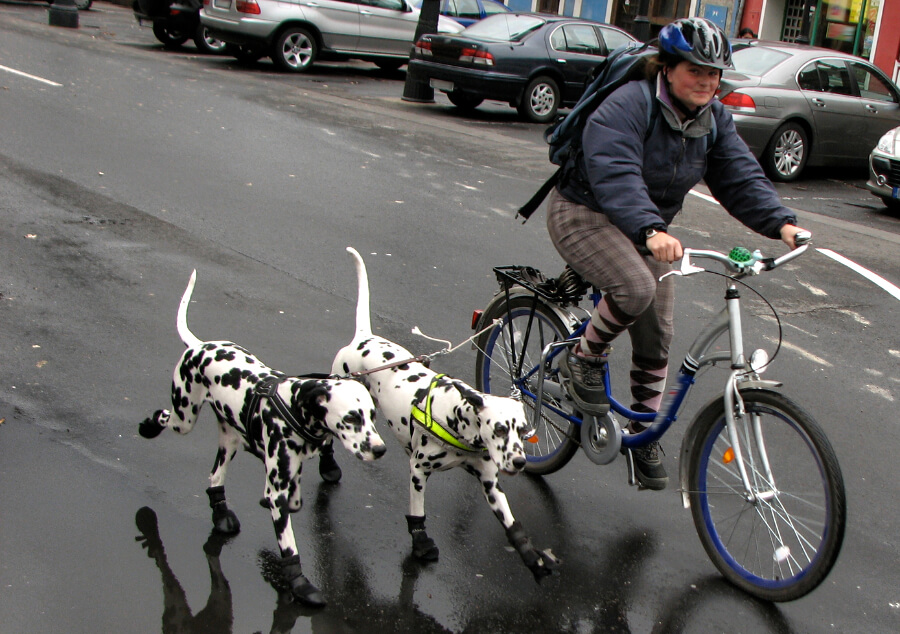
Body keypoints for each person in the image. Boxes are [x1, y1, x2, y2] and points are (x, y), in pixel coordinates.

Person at [547, 17, 807, 490]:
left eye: (715, 73)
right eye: (696, 70)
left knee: (657, 332)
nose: (708, 81)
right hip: (584, 212)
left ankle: (643, 432)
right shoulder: (628, 104)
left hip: (646, 226)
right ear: (667, 68)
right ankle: (584, 358)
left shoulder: (713, 118)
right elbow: (615, 171)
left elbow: (739, 176)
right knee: (634, 286)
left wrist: (781, 223)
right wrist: (649, 229)